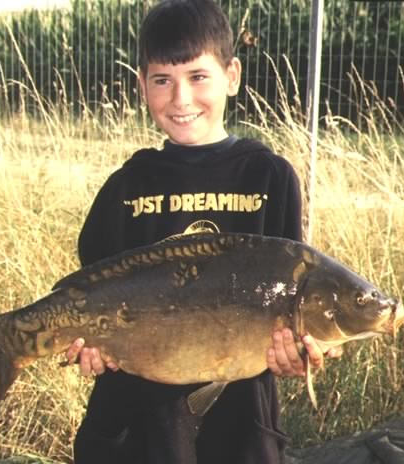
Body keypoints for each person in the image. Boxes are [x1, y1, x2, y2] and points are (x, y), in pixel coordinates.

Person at [66, 1, 340, 462]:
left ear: (231, 76)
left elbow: (291, 296)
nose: (181, 99)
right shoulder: (125, 188)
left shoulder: (269, 177)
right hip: (140, 421)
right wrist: (88, 348)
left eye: (198, 77)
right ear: (142, 86)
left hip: (240, 422)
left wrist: (299, 352)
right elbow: (92, 297)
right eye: (162, 81)